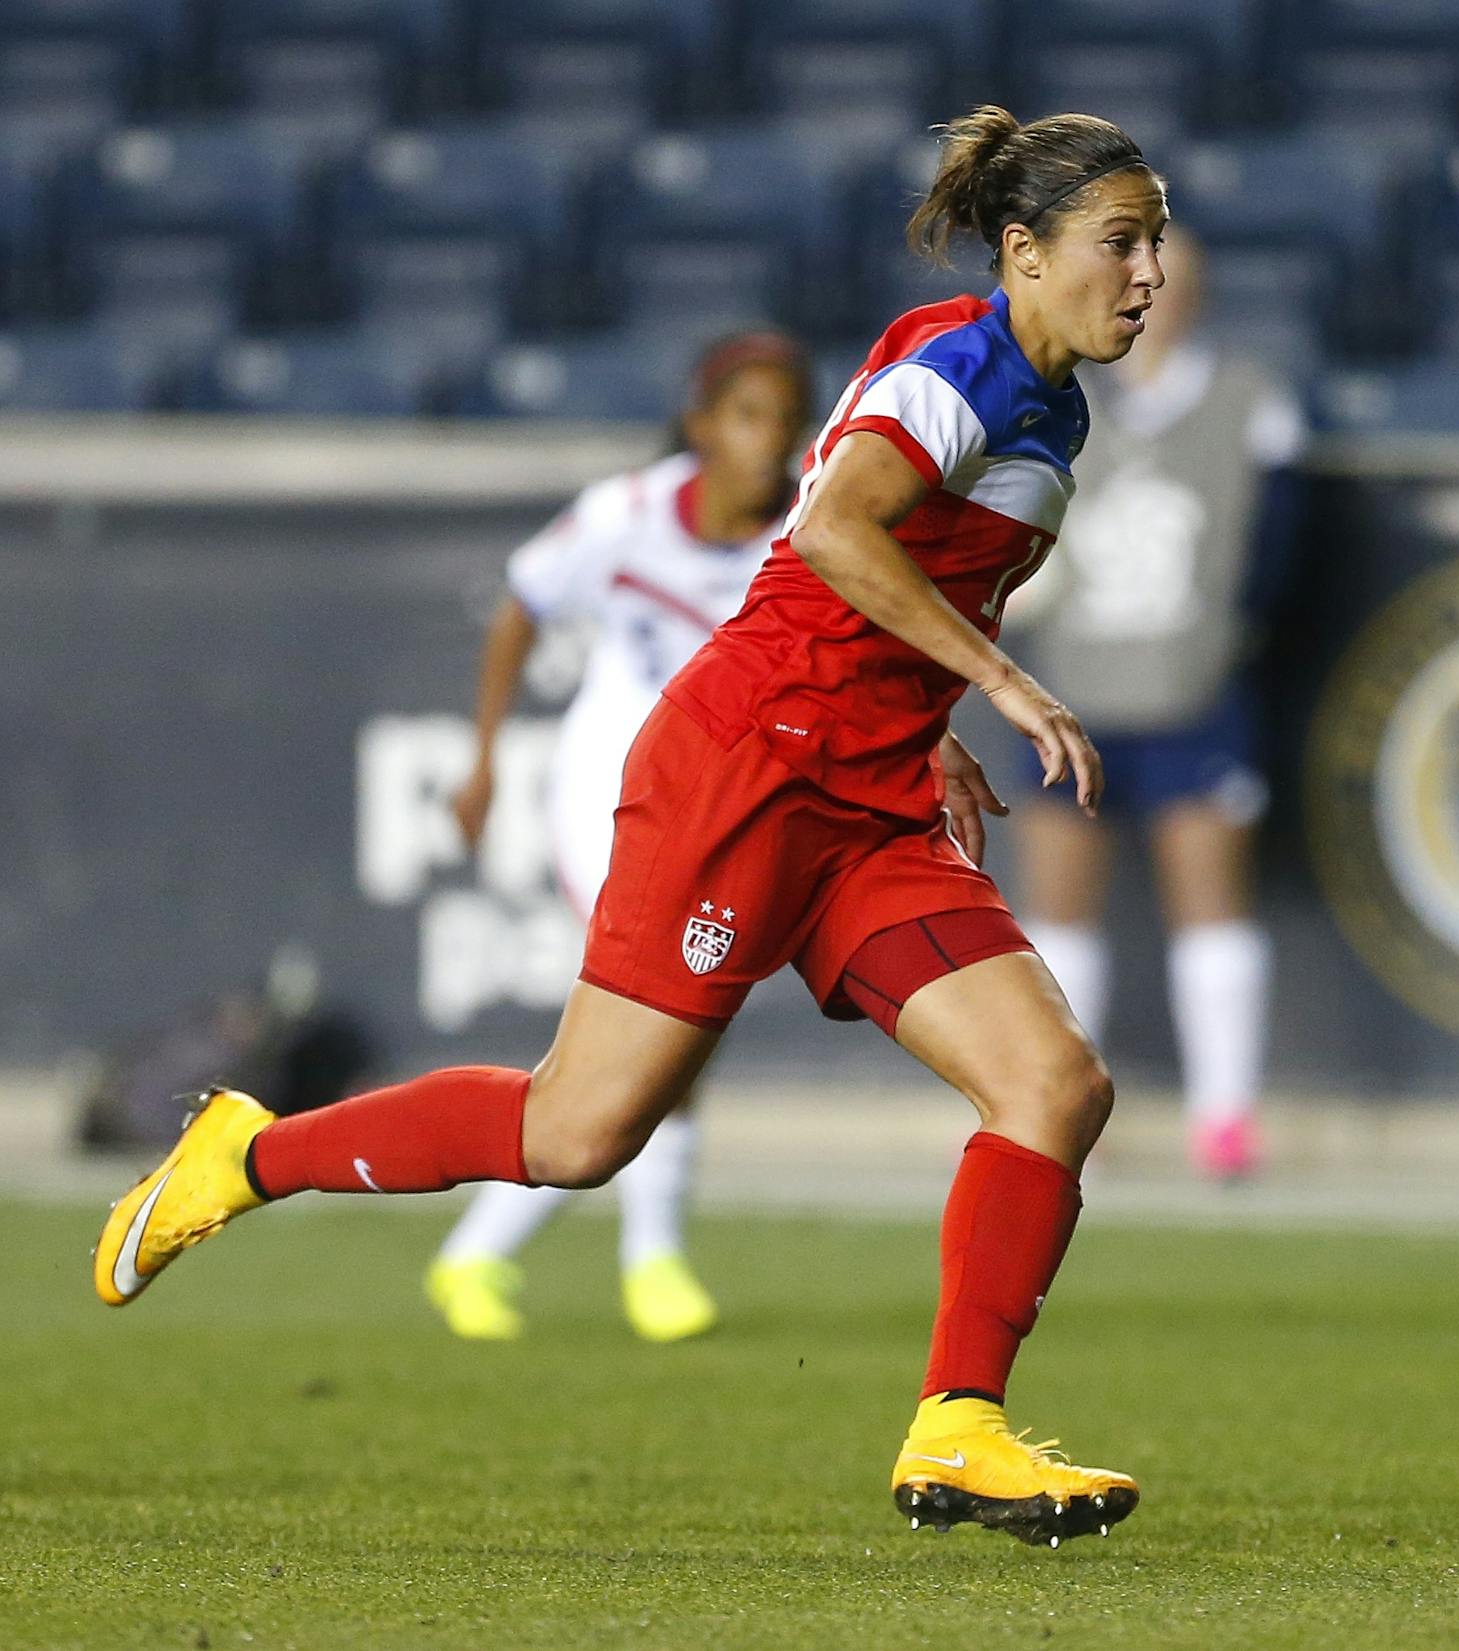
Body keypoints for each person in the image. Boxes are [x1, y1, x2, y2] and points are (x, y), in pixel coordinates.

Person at [94, 105, 1166, 1549]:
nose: (1150, 271)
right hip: (748, 768)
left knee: (1054, 1083)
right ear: (1026, 253)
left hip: (872, 792)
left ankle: (956, 1423)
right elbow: (834, 534)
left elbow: (920, 579)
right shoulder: (959, 359)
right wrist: (1003, 680)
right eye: (1121, 241)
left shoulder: (1057, 403)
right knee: (577, 1131)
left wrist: (942, 721)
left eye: (1154, 239)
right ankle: (243, 1155)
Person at [428, 332, 815, 1345]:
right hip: (612, 791)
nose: (767, 440)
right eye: (746, 415)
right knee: (669, 1026)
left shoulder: (817, 525)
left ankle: (476, 1251)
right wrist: (484, 759)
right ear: (700, 425)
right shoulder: (628, 516)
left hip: (723, 801)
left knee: (653, 1048)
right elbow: (522, 604)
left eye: (785, 417)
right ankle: (653, 1262)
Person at [1005, 226, 1305, 1182]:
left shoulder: (1248, 402)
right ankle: (1056, 1101)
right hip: (1074, 690)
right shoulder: (1057, 397)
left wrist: (1228, 641)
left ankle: (1225, 1118)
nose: (1151, 289)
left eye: (1168, 274)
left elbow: (1275, 555)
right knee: (1059, 907)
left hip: (1189, 689)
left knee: (1209, 899)